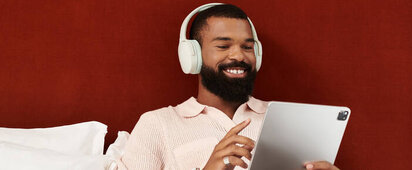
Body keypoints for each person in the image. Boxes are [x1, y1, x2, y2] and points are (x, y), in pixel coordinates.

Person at [118, 3, 340, 170]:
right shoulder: (157, 124)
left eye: (247, 47)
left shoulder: (290, 121)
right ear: (192, 56)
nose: (238, 55)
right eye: (223, 46)